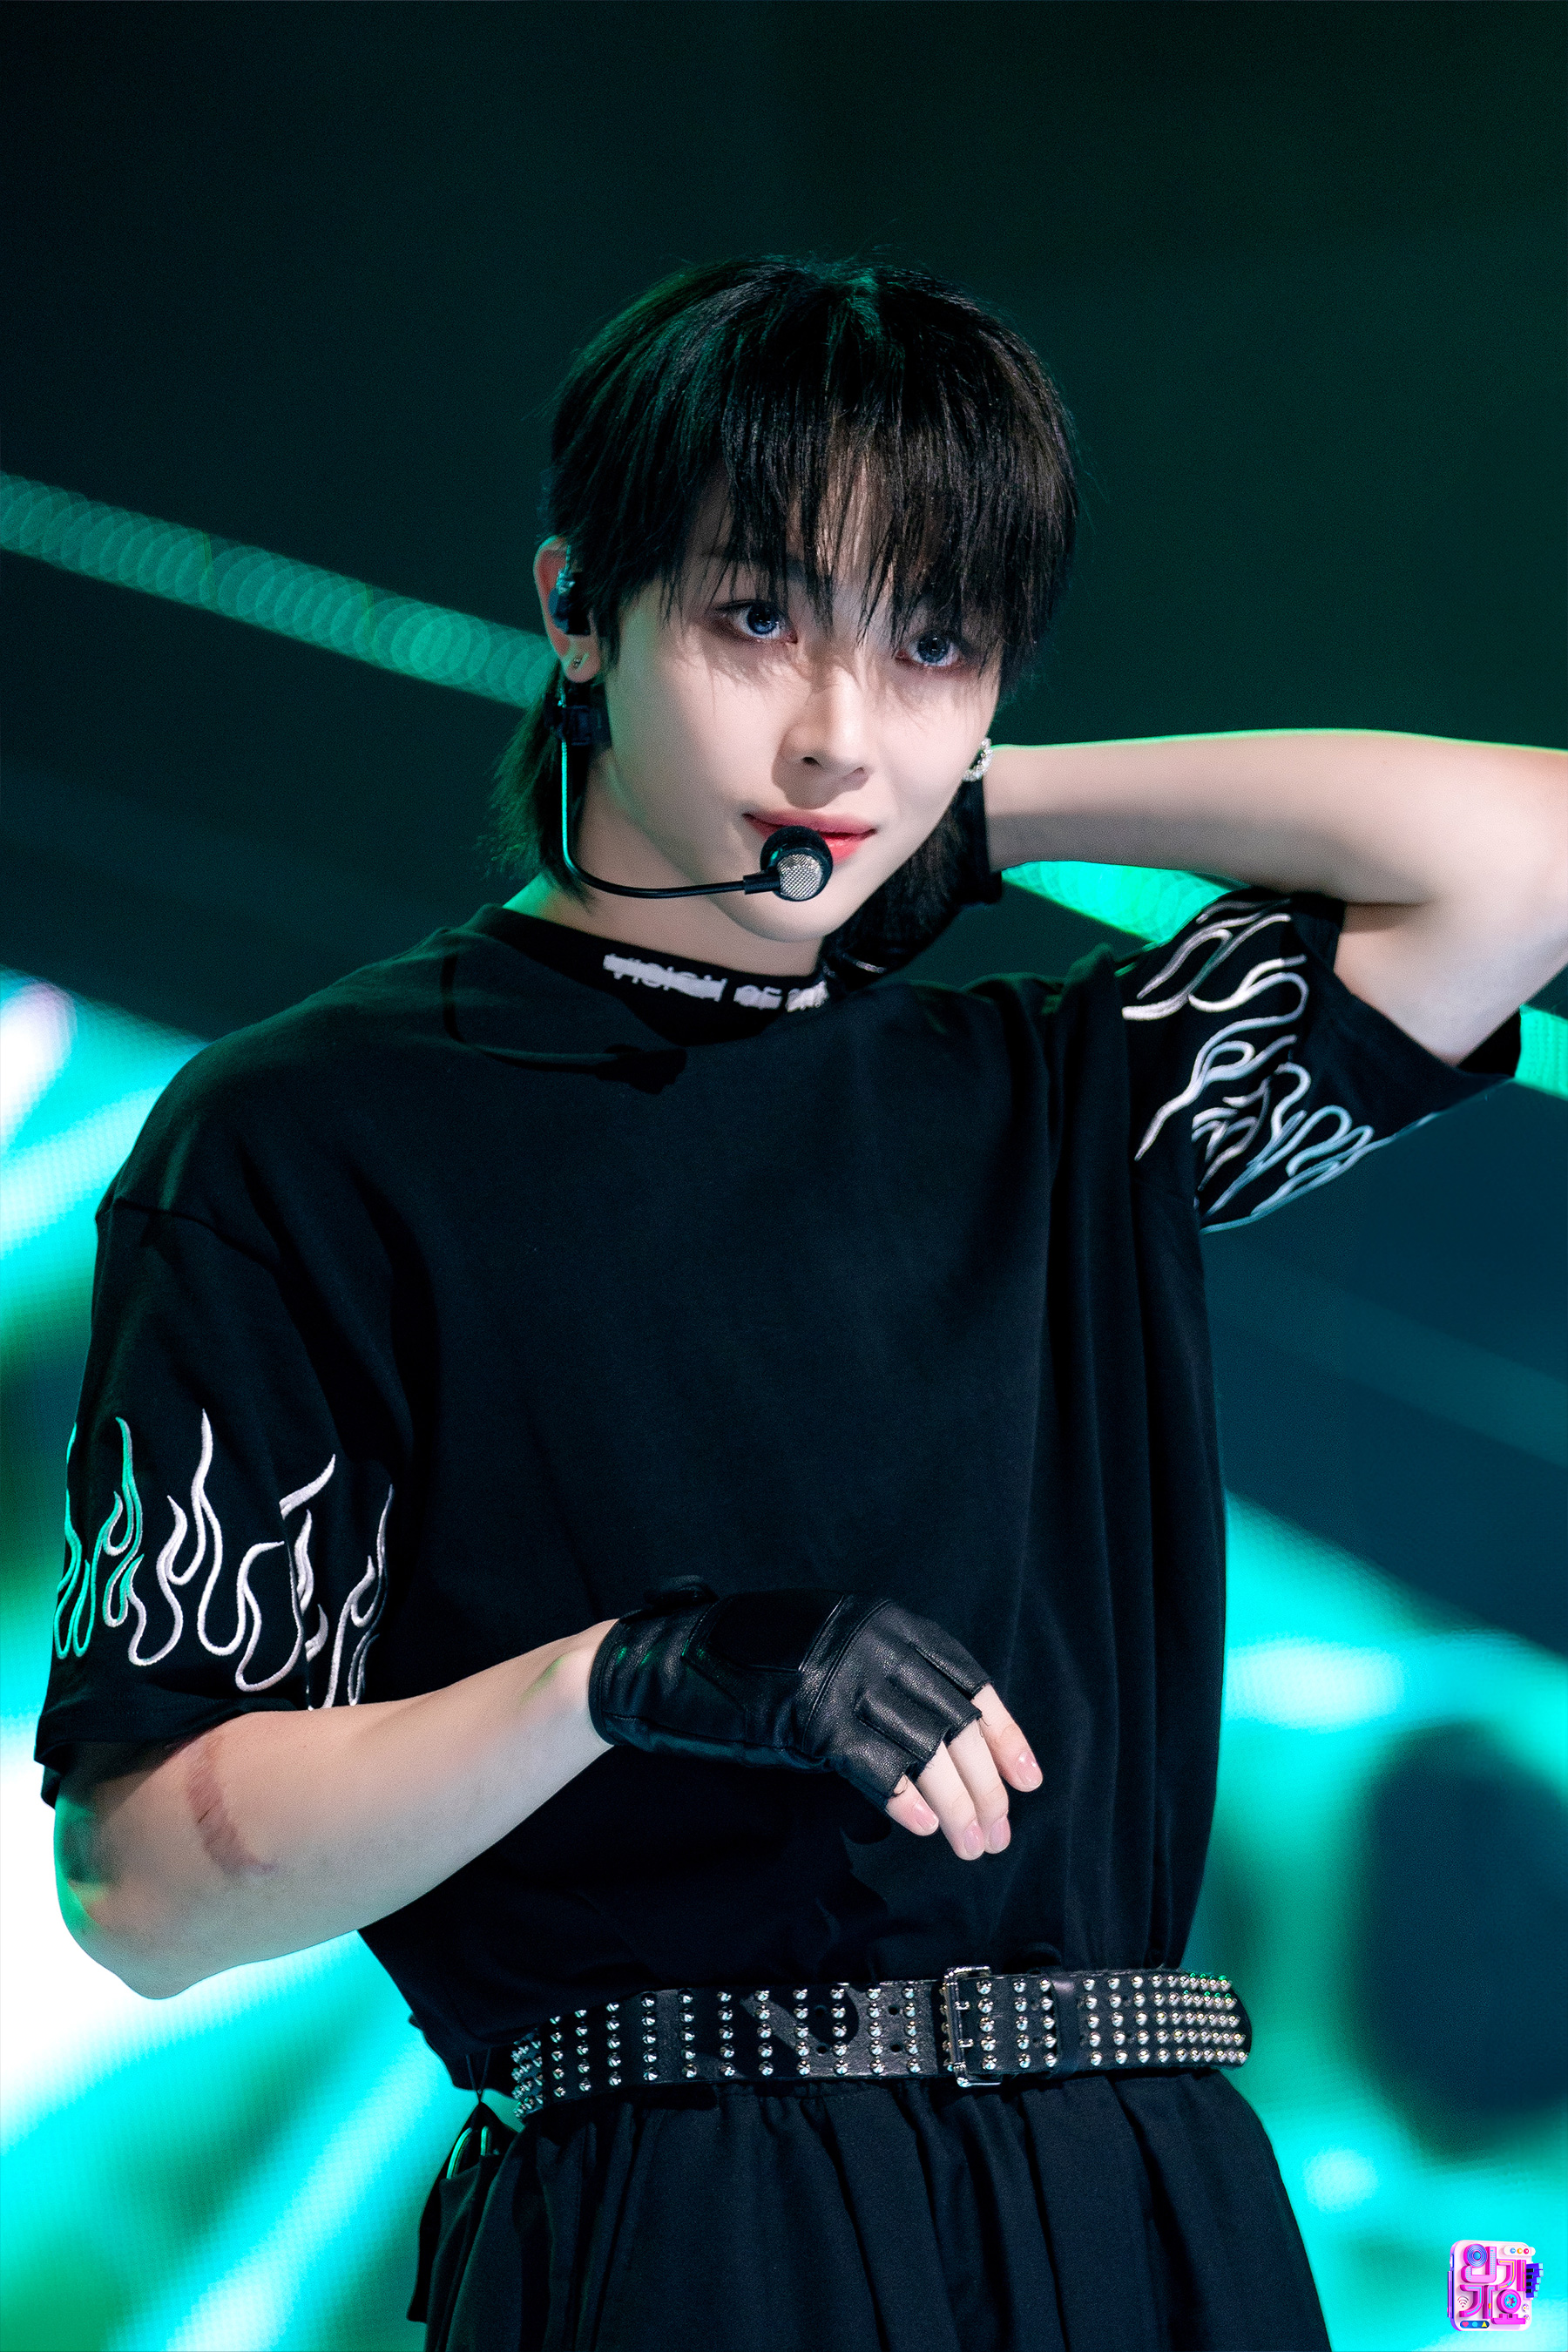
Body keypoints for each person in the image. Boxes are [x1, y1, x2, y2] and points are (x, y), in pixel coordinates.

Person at [37, 257, 1565, 2352]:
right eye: (760, 620)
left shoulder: (1070, 1102)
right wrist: (624, 1678)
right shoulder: (310, 1135)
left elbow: (1528, 861)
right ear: (578, 607)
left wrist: (988, 809)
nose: (840, 734)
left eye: (935, 646)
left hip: (1137, 2201)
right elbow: (140, 1888)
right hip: (680, 2213)